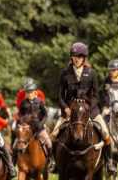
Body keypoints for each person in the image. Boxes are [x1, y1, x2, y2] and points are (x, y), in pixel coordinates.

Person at [49, 42, 114, 173]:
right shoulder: (65, 73)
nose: (76, 58)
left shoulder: (91, 73)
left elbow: (95, 95)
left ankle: (109, 162)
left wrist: (89, 109)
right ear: (71, 57)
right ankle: (54, 162)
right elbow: (61, 96)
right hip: (69, 111)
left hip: (90, 110)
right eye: (74, 56)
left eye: (79, 56)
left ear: (84, 58)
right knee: (53, 135)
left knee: (106, 134)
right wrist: (65, 108)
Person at [16, 80, 52, 159]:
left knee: (49, 143)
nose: (28, 94)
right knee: (16, 144)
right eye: (27, 92)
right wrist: (21, 123)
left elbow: (45, 115)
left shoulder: (40, 102)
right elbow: (20, 114)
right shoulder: (23, 103)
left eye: (30, 92)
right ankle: (13, 162)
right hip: (26, 129)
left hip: (38, 127)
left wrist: (41, 124)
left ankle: (50, 160)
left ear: (35, 92)